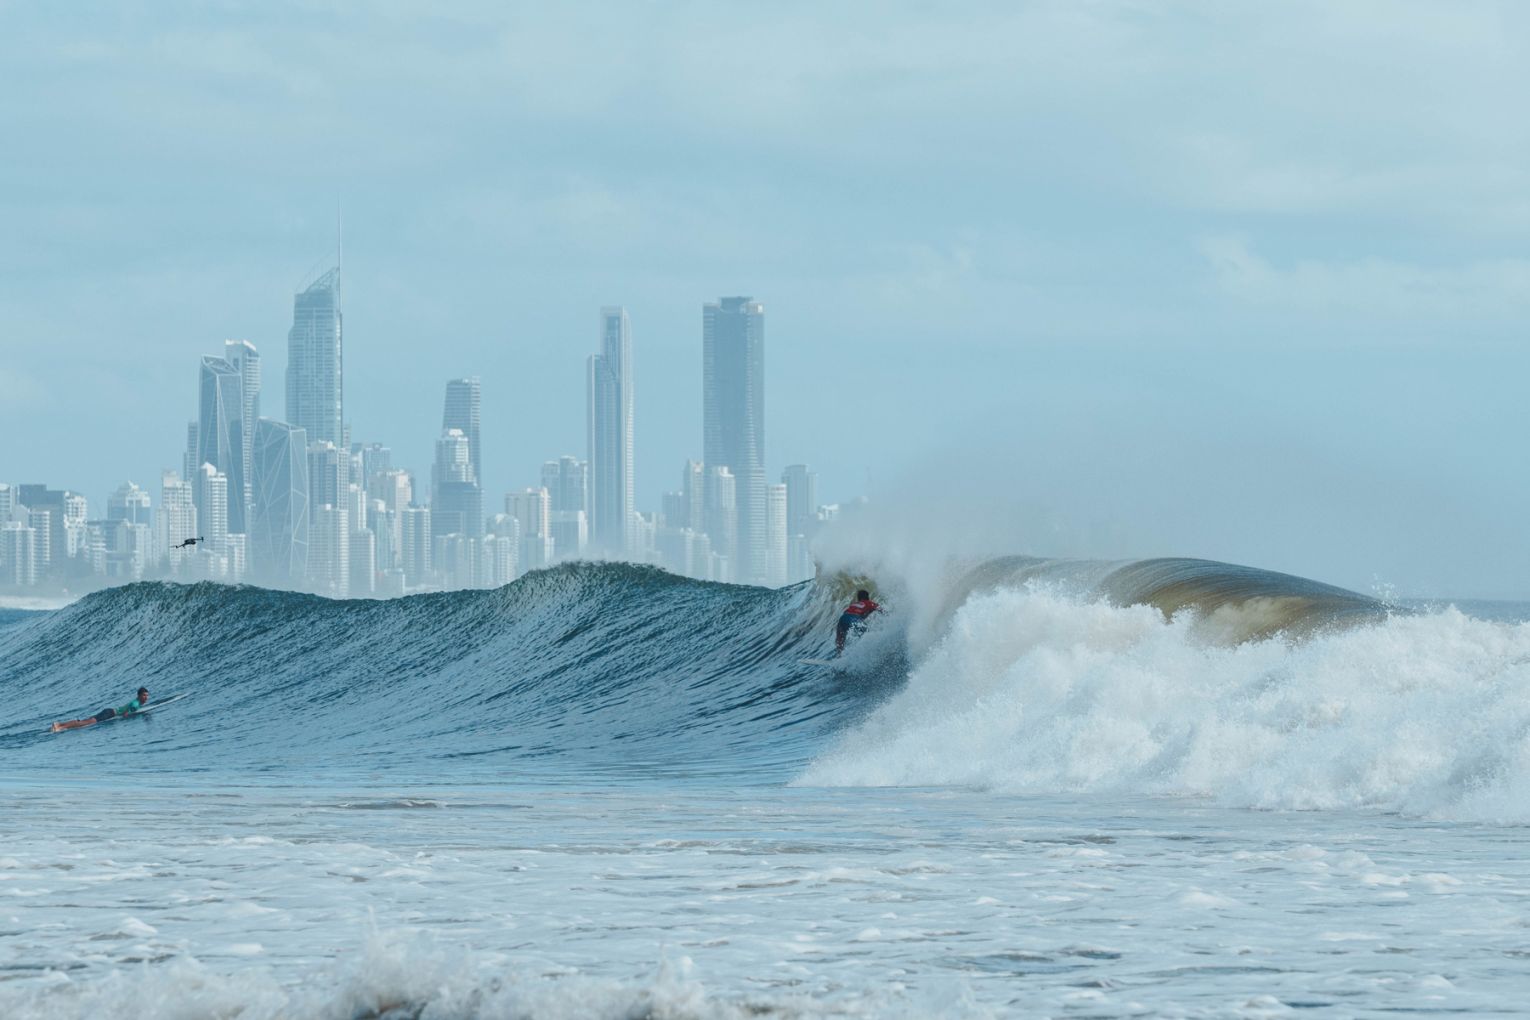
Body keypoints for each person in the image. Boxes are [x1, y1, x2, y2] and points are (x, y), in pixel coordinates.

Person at [51, 687, 150, 732]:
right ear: (139, 696)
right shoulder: (135, 705)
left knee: (84, 721)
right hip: (109, 714)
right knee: (84, 723)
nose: (146, 698)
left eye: (147, 696)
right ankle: (59, 725)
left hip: (109, 712)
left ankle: (60, 724)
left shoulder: (136, 703)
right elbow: (125, 714)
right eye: (144, 695)